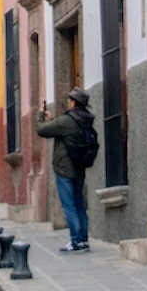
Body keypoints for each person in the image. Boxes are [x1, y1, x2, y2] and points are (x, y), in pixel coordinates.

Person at [37, 87, 95, 252]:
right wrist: (53, 120)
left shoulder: (68, 120)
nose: (68, 102)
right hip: (79, 168)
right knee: (79, 205)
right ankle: (83, 240)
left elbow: (41, 130)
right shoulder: (84, 119)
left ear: (75, 103)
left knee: (69, 206)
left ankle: (75, 240)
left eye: (70, 100)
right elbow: (65, 131)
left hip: (65, 169)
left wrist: (40, 115)